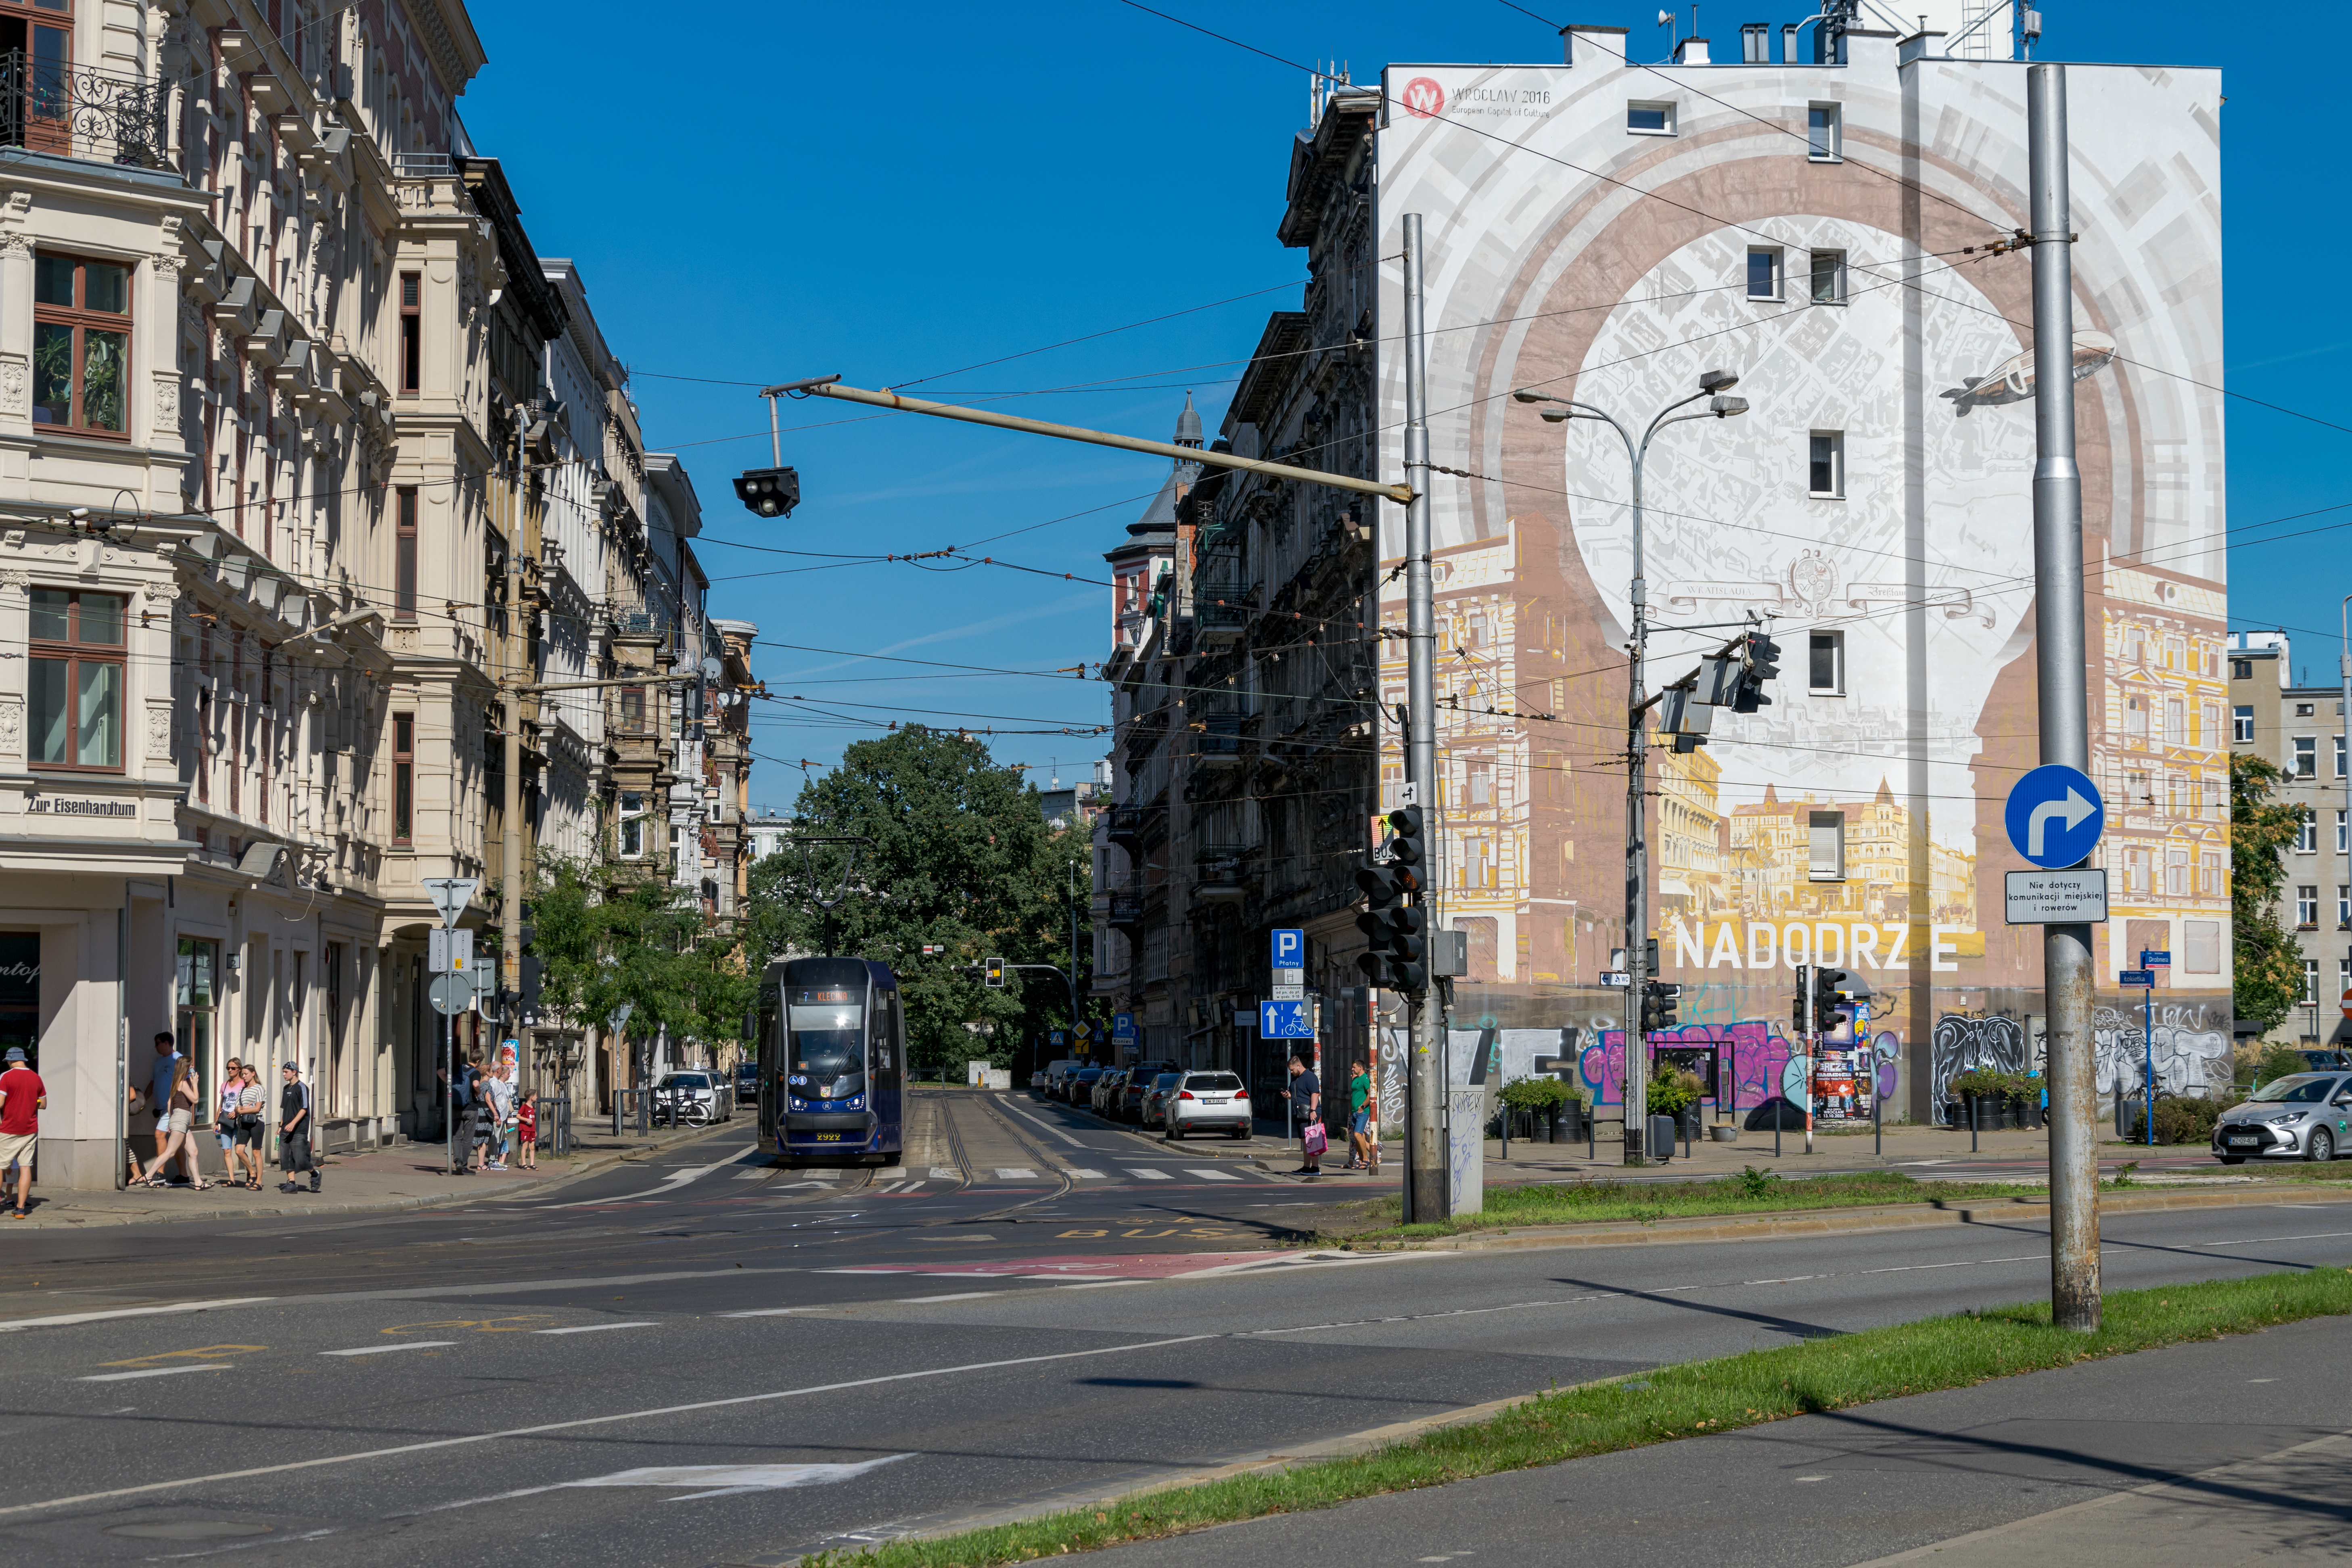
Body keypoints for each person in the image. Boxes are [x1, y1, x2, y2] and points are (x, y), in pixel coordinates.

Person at [138, 1057, 210, 1190]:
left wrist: (171, 1121)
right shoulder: (183, 1083)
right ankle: (148, 1175)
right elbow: (195, 1100)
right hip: (181, 1119)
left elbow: (169, 1104)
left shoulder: (175, 1082)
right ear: (186, 1068)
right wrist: (195, 1084)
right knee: (170, 1152)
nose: (193, 1067)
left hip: (181, 1120)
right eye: (191, 1065)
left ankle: (199, 1183)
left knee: (193, 1152)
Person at [0, 1046, 44, 1218]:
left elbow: (1, 1104)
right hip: (30, 1129)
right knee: (26, 1167)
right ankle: (20, 1209)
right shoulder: (37, 1078)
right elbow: (44, 1104)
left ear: (11, 1060)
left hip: (9, 1129)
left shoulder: (6, 1076)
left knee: (1, 1166)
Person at [146, 1032, 182, 1177]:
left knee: (159, 1135)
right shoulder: (158, 1062)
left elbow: (187, 1082)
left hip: (173, 1108)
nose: (155, 1047)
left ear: (167, 1043)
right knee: (180, 1142)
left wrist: (181, 1105)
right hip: (161, 1108)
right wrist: (143, 1100)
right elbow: (153, 1083)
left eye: (157, 1043)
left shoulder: (179, 1059)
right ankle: (184, 1175)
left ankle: (159, 1173)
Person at [278, 1061, 317, 1194]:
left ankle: (315, 1174)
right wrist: (281, 1126)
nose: (284, 1075)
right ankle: (292, 1183)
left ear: (294, 1072)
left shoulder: (302, 1088)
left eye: (286, 1072)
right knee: (286, 1158)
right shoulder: (286, 1089)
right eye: (283, 1072)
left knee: (301, 1159)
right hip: (286, 1130)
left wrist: (293, 1123)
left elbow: (304, 1109)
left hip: (299, 1130)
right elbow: (285, 1110)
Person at [1286, 1055, 1323, 1176]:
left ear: (1299, 1066)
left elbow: (1315, 1094)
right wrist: (1289, 1095)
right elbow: (1296, 1094)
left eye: (1292, 1070)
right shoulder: (1295, 1079)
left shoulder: (1310, 1077)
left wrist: (1313, 1110)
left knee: (1312, 1139)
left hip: (1310, 1113)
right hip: (1301, 1113)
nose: (1291, 1072)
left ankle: (1315, 1168)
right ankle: (1306, 1167)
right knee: (1305, 1140)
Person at [233, 1064, 268, 1189]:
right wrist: (244, 1108)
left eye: (246, 1074)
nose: (244, 1076)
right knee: (239, 1151)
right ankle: (252, 1172)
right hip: (244, 1123)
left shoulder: (259, 1088)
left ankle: (259, 1182)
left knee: (256, 1152)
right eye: (242, 1074)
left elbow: (257, 1108)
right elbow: (236, 1108)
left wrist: (242, 1110)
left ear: (253, 1074)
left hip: (257, 1122)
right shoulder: (242, 1089)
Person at [1346, 1061, 1376, 1171]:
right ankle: (1362, 1161)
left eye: (1354, 1067)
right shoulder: (1356, 1079)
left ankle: (1367, 1159)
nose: (1352, 1069)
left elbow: (1370, 1093)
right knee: (1359, 1137)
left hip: (1362, 1112)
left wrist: (1363, 1106)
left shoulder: (1364, 1079)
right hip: (1354, 1112)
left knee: (1357, 1135)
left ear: (1360, 1068)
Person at [514, 1087, 538, 1171]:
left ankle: (532, 1164)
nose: (537, 1097)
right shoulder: (524, 1107)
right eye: (536, 1096)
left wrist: (535, 1130)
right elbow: (518, 1116)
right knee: (525, 1146)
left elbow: (533, 1120)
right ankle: (524, 1163)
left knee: (532, 1147)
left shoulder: (533, 1108)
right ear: (532, 1097)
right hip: (525, 1129)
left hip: (532, 1130)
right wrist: (526, 1120)